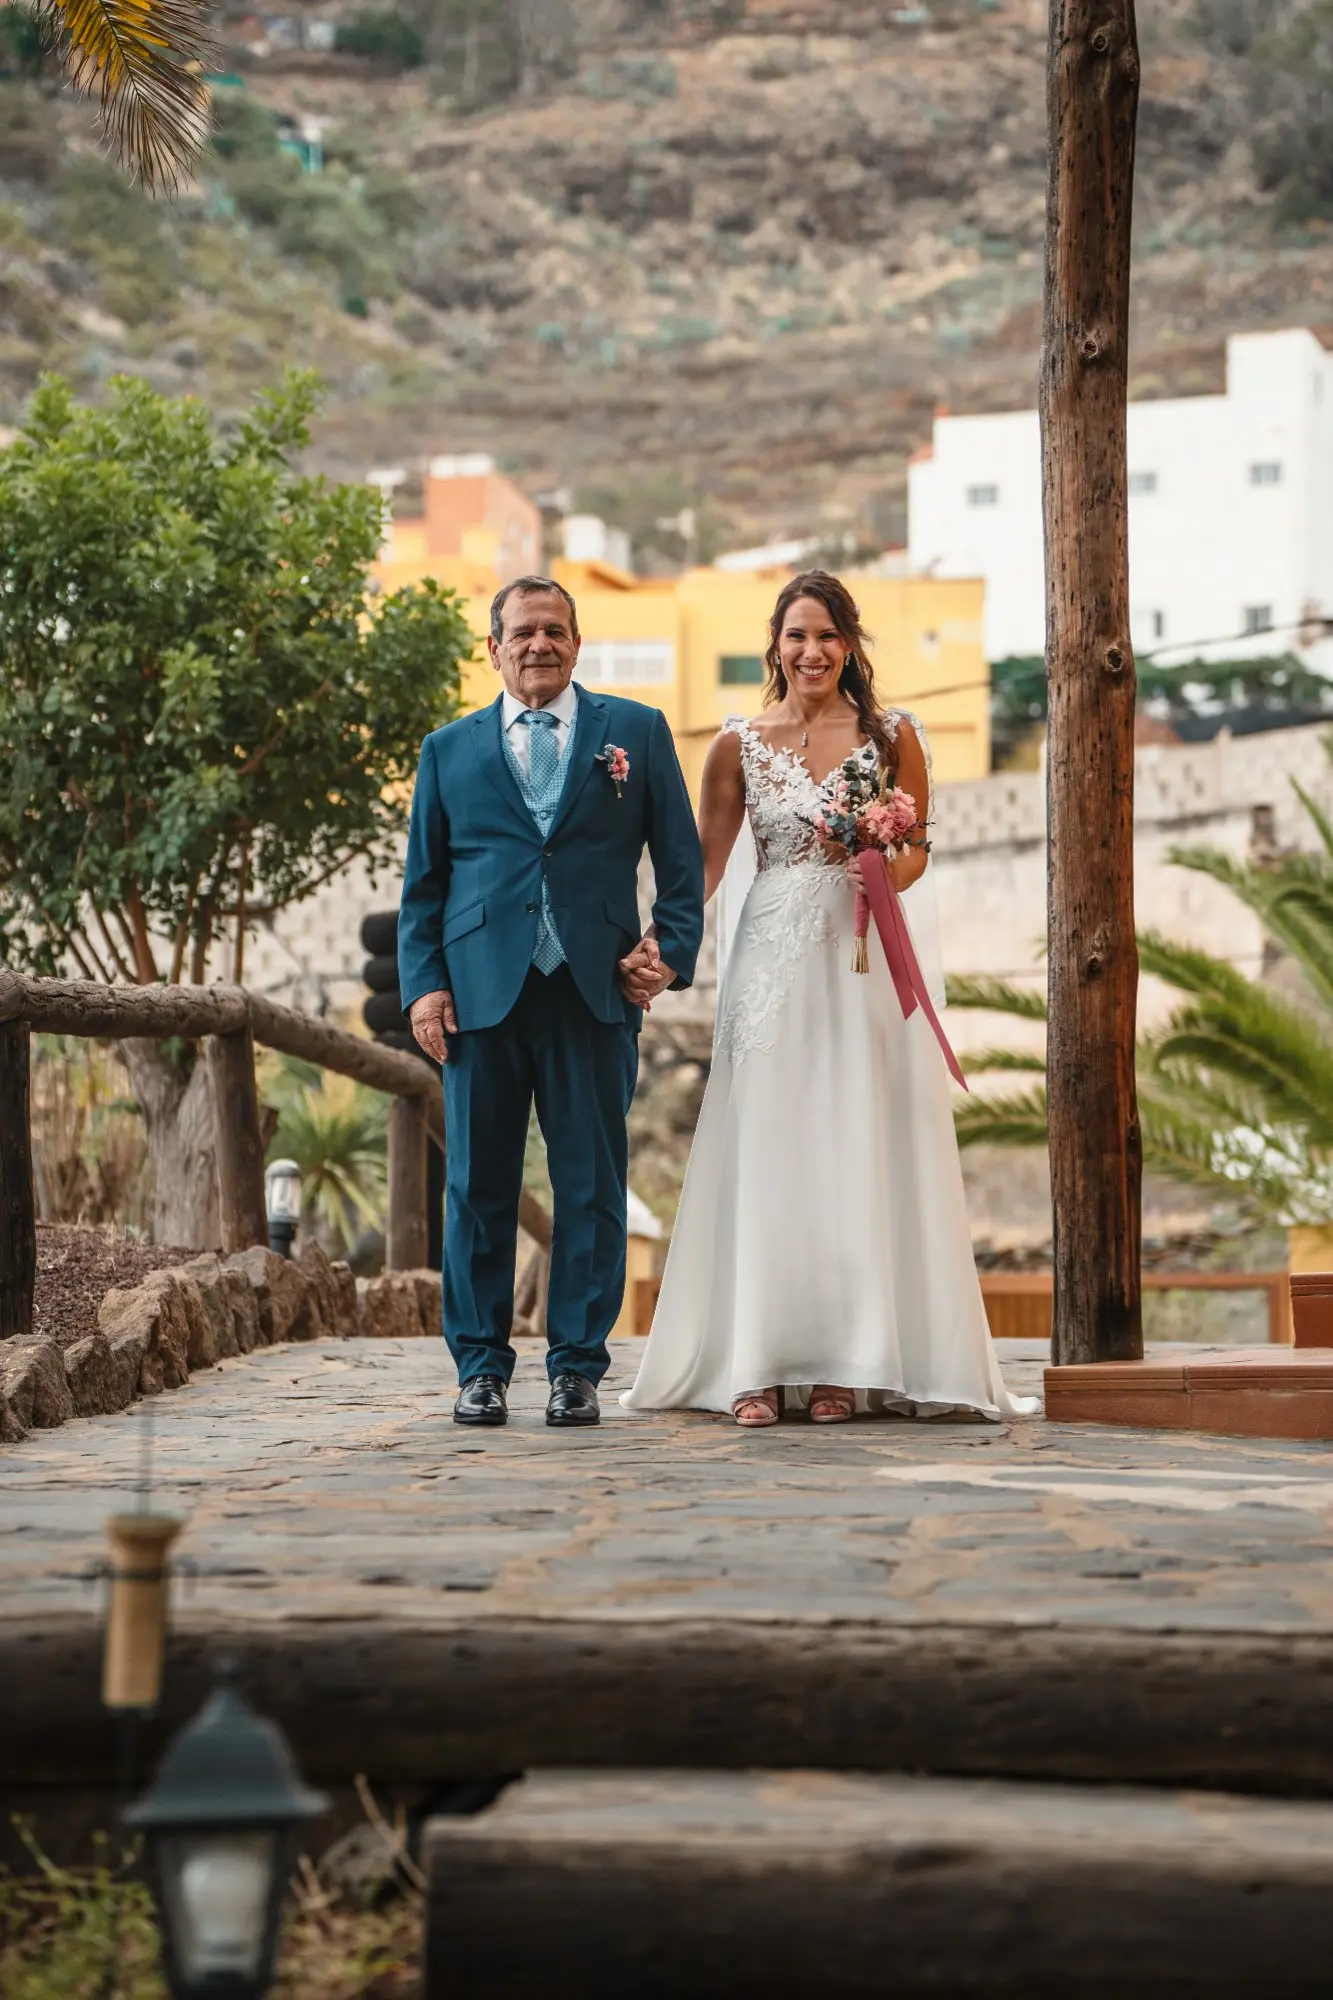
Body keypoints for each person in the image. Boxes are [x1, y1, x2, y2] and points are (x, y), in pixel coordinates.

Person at [622, 570, 1034, 1428]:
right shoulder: (734, 745)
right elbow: (700, 863)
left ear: (850, 645)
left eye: (828, 636)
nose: (812, 652)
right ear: (775, 645)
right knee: (767, 1147)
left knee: (852, 1142)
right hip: (769, 962)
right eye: (796, 636)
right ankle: (754, 1367)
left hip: (859, 959)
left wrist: (880, 862)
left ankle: (845, 1364)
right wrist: (659, 945)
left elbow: (919, 850)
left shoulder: (893, 739)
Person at [399, 576, 703, 1429]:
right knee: (476, 1187)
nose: (539, 644)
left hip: (593, 992)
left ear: (578, 642)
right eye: (522, 632)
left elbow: (680, 865)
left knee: (592, 1188)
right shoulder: (446, 751)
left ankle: (576, 1368)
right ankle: (480, 1369)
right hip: (480, 997)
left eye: (555, 630)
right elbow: (422, 888)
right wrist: (424, 986)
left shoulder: (633, 734)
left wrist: (667, 953)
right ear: (492, 648)